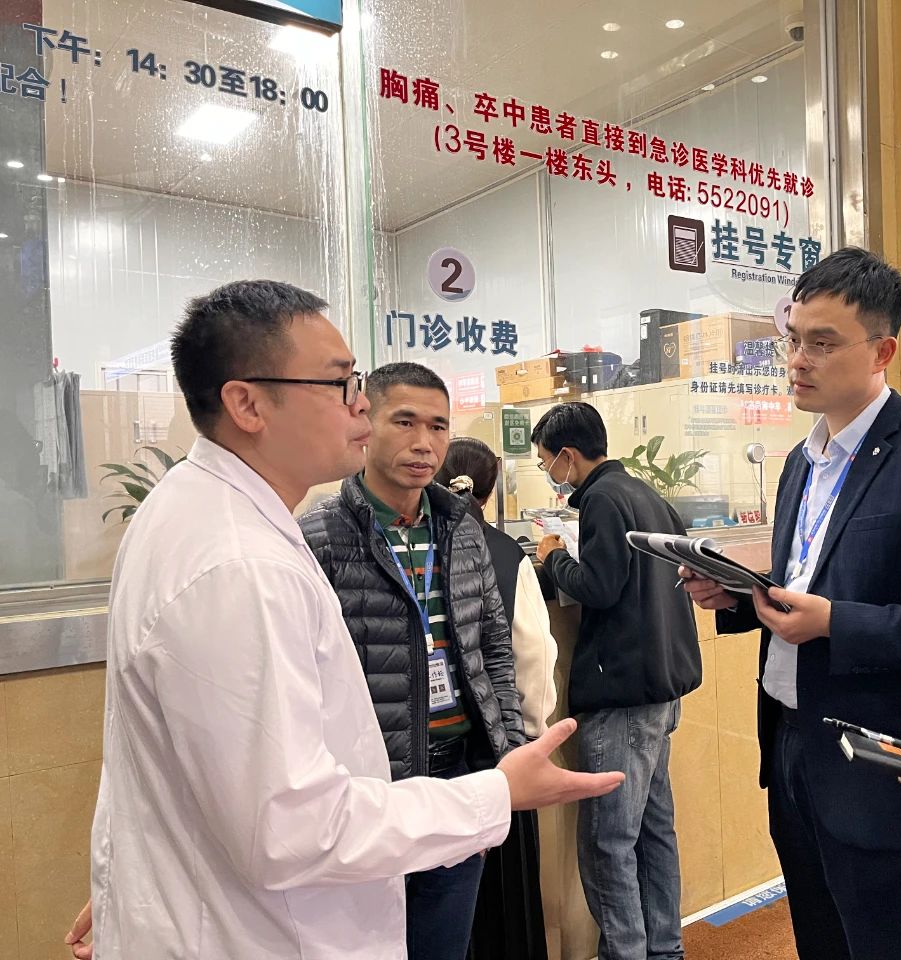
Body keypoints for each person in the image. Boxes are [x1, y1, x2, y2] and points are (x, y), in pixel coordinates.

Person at [84, 280, 622, 960]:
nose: (360, 404)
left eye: (358, 384)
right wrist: (493, 796)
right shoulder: (244, 564)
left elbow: (200, 766)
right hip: (282, 907)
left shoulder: (202, 514)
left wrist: (140, 866)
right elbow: (292, 828)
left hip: (387, 817)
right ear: (247, 403)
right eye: (339, 384)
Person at [682, 247, 901, 960]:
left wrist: (836, 624)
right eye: (793, 339)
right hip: (792, 744)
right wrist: (736, 599)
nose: (798, 360)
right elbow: (808, 578)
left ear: (882, 351)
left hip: (884, 762)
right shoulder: (802, 462)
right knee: (821, 940)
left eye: (823, 343)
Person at [298, 362, 525, 960]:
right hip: (367, 789)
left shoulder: (461, 530)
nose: (424, 443)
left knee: (444, 942)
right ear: (365, 422)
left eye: (438, 426)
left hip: (459, 776)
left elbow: (493, 651)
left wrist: (502, 764)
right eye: (404, 422)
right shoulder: (319, 536)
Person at [533, 401, 701, 960]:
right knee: (653, 832)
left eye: (546, 462)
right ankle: (665, 949)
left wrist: (553, 557)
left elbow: (599, 587)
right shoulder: (646, 493)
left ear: (567, 455)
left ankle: (626, 952)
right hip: (660, 685)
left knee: (609, 842)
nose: (549, 473)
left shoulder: (603, 498)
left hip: (623, 690)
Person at [443, 436, 557, 960]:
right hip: (499, 757)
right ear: (489, 492)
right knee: (503, 905)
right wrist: (530, 731)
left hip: (432, 761)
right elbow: (533, 652)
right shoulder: (508, 553)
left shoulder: (417, 545)